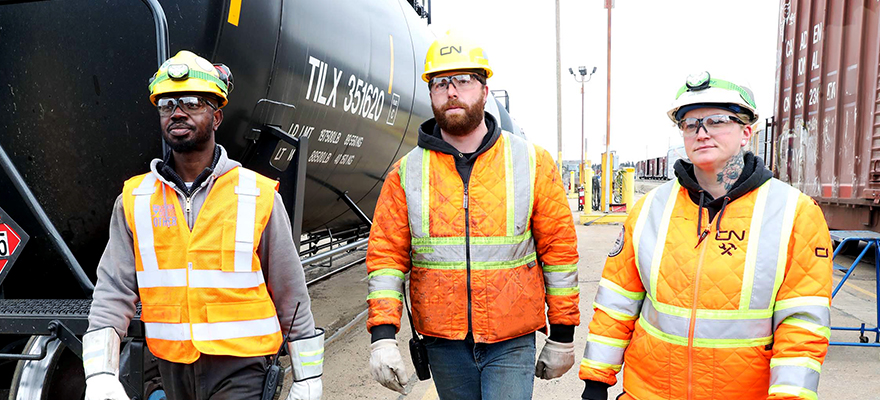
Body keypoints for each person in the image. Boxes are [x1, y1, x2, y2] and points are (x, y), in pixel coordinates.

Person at [82, 50, 323, 400]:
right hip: (170, 365)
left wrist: (308, 375)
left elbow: (290, 292)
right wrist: (101, 371)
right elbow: (113, 290)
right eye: (167, 104)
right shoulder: (135, 198)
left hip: (242, 364)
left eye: (192, 102)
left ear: (217, 116)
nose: (177, 112)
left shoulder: (257, 194)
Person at [579, 71, 833, 400]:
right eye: (690, 123)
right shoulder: (650, 209)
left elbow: (802, 325)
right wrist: (596, 383)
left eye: (715, 121)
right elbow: (617, 303)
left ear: (746, 131)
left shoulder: (794, 213)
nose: (701, 133)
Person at [365, 32, 581, 400]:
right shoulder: (407, 173)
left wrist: (562, 335)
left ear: (484, 89)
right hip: (443, 342)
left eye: (463, 81)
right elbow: (386, 258)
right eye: (440, 83)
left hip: (511, 339)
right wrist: (382, 336)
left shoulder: (531, 162)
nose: (451, 91)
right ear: (430, 93)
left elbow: (559, 253)